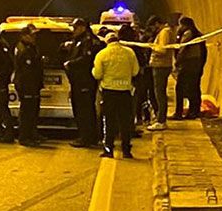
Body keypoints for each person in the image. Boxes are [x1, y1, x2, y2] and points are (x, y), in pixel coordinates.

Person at [93, 25, 140, 158]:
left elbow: (97, 74)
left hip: (109, 92)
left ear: (107, 41)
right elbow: (135, 71)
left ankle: (109, 149)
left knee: (109, 121)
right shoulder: (129, 53)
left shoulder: (102, 54)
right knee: (125, 121)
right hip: (125, 91)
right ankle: (126, 150)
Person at [63, 18, 100, 147]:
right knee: (82, 109)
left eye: (75, 28)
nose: (73, 30)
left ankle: (86, 138)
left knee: (84, 110)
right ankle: (87, 136)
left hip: (84, 81)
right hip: (78, 81)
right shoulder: (78, 40)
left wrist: (70, 63)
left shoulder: (87, 41)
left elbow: (86, 59)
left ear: (82, 27)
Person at [14, 23, 45, 147]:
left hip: (33, 85)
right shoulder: (23, 49)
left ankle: (32, 133)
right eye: (32, 35)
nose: (34, 37)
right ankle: (24, 136)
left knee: (33, 110)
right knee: (27, 112)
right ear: (24, 36)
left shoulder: (31, 47)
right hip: (26, 85)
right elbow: (27, 70)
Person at [146, 15, 175, 131]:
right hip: (163, 65)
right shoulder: (167, 31)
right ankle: (160, 118)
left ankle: (161, 121)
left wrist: (152, 47)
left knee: (159, 94)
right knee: (160, 93)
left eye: (153, 27)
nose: (153, 29)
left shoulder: (164, 32)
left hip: (161, 66)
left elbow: (162, 49)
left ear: (157, 23)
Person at [174, 16, 204, 119]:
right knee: (194, 88)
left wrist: (177, 62)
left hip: (188, 64)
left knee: (180, 88)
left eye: (181, 25)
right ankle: (194, 111)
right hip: (196, 64)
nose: (179, 27)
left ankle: (179, 113)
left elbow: (182, 49)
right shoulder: (198, 34)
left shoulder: (188, 34)